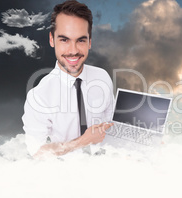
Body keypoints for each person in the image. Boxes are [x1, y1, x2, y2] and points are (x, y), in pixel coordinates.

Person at [22, 0, 113, 158]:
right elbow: (37, 152)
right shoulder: (39, 96)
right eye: (64, 40)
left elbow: (111, 125)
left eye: (81, 40)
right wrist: (82, 141)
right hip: (67, 174)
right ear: (52, 40)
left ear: (90, 42)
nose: (73, 50)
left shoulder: (102, 77)